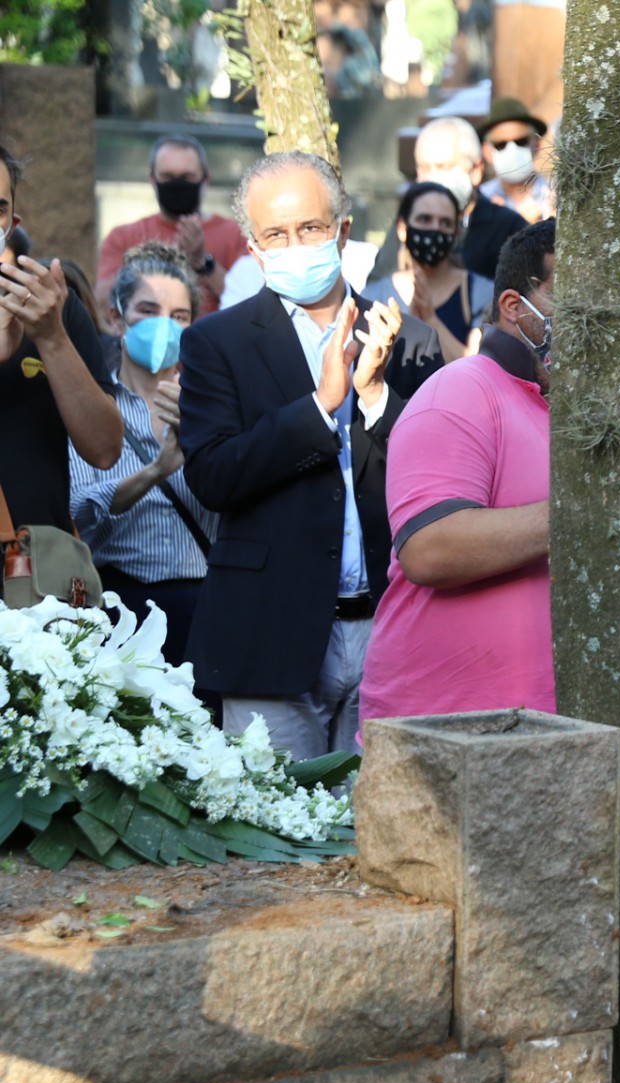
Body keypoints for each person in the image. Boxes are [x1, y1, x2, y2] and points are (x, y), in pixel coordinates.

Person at [178, 151, 443, 759]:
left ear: (343, 231)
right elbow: (213, 477)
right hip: (269, 633)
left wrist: (374, 396)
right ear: (253, 246)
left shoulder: (410, 341)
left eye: (311, 229)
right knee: (276, 836)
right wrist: (322, 407)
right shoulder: (217, 341)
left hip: (388, 626)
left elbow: (436, 480)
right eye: (276, 234)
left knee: (383, 831)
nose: (295, 245)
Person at [361, 219, 556, 724]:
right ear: (515, 307)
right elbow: (429, 547)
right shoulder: (462, 390)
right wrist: (579, 513)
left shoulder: (569, 409)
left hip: (544, 726)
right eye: (572, 299)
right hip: (444, 729)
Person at [69, 242, 218, 675]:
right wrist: (155, 472)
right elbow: (79, 513)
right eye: (148, 312)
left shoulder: (214, 407)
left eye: (179, 317)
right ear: (116, 319)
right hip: (122, 608)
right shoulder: (93, 408)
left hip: (203, 604)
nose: (164, 327)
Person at [0, 143, 121, 533]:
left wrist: (52, 339)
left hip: (34, 575)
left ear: (12, 224)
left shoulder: (52, 307)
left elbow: (105, 449)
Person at [96, 135, 248, 318]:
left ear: (205, 180)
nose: (177, 184)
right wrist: (153, 263)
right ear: (153, 180)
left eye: (187, 177)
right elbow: (103, 305)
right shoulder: (123, 237)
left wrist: (202, 262)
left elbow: (249, 302)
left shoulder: (236, 235)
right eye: (167, 177)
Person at [369, 117, 528, 285]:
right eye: (424, 168)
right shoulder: (411, 224)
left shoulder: (508, 230)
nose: (432, 178)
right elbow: (377, 286)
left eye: (443, 167)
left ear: (476, 171)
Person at [362, 181, 493, 362]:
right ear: (402, 228)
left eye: (445, 223)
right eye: (425, 219)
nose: (434, 229)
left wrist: (430, 320)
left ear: (456, 233)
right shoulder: (374, 295)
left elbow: (478, 368)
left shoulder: (479, 292)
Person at [478, 97, 556, 224]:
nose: (512, 150)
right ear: (487, 152)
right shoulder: (481, 201)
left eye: (521, 141)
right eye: (501, 145)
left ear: (537, 145)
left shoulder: (556, 197)